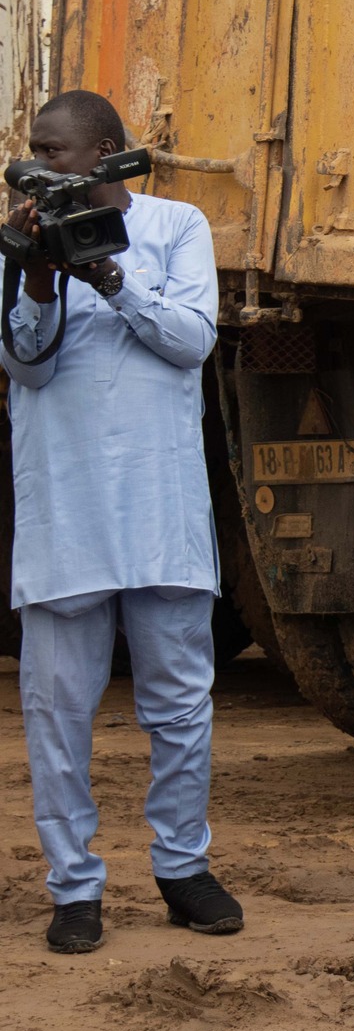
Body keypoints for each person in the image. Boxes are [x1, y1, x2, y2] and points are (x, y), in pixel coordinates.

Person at [2, 89, 240, 954]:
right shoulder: (22, 236)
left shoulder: (177, 226)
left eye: (52, 148)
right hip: (65, 514)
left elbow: (190, 340)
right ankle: (75, 886)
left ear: (104, 150)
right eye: (34, 148)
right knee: (57, 712)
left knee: (179, 706)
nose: (38, 160)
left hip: (160, 512)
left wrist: (107, 273)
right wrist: (35, 274)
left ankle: (183, 867)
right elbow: (24, 366)